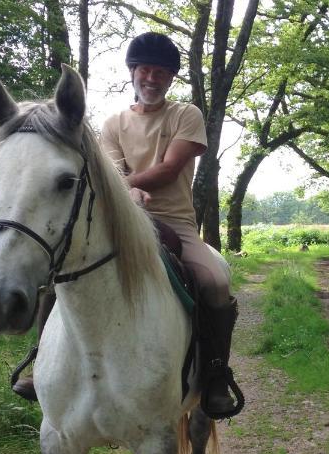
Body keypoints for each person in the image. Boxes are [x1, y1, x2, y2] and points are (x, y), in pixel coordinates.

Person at [98, 31, 242, 419]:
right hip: (120, 221)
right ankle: (42, 358)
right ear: (132, 72)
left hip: (174, 223)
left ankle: (215, 374)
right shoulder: (112, 125)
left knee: (215, 282)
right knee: (63, 266)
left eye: (161, 73)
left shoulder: (185, 115)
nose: (152, 78)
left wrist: (125, 187)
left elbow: (168, 169)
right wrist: (127, 197)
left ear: (170, 79)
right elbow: (110, 170)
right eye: (145, 69)